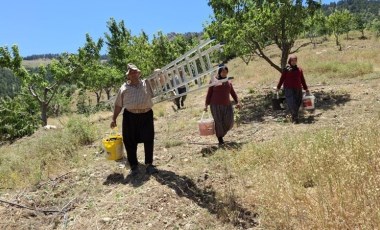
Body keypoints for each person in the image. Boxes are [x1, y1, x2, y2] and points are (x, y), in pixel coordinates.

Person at [110, 63, 158, 176]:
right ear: (128, 76)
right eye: (131, 72)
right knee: (129, 140)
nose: (134, 74)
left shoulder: (147, 83)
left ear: (139, 73)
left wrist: (158, 73)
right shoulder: (123, 88)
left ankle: (149, 164)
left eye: (135, 71)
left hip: (146, 114)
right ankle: (134, 166)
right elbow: (118, 105)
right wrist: (114, 119)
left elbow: (161, 82)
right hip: (130, 116)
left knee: (148, 138)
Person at [204, 65, 241, 145]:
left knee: (229, 121)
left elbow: (233, 93)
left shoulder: (228, 81)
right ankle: (220, 139)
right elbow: (209, 93)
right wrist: (206, 105)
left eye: (226, 72)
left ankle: (221, 133)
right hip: (215, 105)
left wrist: (237, 102)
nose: (224, 73)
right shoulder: (213, 80)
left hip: (227, 105)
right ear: (219, 72)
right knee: (218, 122)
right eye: (222, 71)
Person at [276, 55, 310, 124]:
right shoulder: (286, 69)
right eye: (292, 60)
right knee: (291, 103)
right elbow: (282, 79)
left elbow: (302, 80)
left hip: (298, 88)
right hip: (288, 89)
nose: (294, 62)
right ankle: (295, 118)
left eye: (295, 60)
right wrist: (278, 87)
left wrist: (306, 88)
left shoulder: (299, 69)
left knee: (298, 102)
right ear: (290, 61)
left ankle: (295, 115)